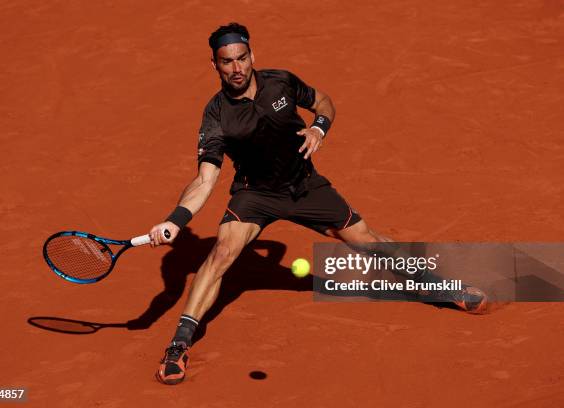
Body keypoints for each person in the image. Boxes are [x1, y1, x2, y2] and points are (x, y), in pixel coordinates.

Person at [147, 22, 487, 385]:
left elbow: (323, 101)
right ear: (214, 64)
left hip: (305, 185)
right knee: (220, 254)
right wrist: (176, 220)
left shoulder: (281, 82)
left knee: (367, 241)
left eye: (242, 58)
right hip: (255, 195)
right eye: (227, 61)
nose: (237, 68)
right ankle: (178, 345)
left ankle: (439, 287)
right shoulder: (216, 115)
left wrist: (318, 128)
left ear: (252, 55)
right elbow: (205, 179)